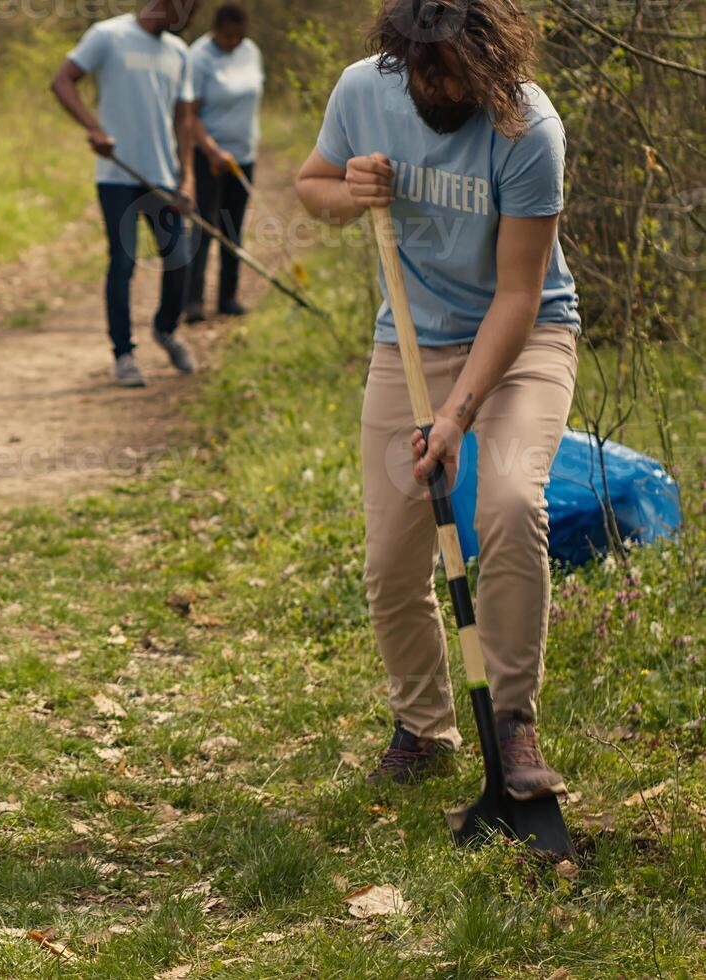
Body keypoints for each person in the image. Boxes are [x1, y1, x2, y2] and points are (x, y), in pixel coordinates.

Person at [295, 0, 579, 797]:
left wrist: (455, 417)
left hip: (524, 341)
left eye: (454, 73)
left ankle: (512, 725)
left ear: (490, 66)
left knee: (510, 506)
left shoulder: (529, 129)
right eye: (423, 69)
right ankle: (422, 727)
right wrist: (348, 192)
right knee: (390, 560)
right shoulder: (363, 90)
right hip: (409, 344)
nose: (434, 86)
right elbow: (309, 188)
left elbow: (519, 294)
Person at [52, 1, 201, 388]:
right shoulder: (108, 36)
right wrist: (94, 129)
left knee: (180, 260)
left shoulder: (179, 52)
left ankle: (166, 330)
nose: (189, 17)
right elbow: (62, 81)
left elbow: (185, 118)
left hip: (163, 176)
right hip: (117, 175)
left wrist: (188, 179)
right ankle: (124, 354)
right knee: (123, 262)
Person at [185, 3, 264, 322]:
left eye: (237, 36)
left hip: (243, 156)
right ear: (215, 30)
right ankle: (192, 301)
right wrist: (212, 150)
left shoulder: (251, 51)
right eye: (226, 36)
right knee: (205, 226)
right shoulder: (199, 56)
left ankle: (228, 297)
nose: (232, 42)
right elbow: (188, 116)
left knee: (233, 227)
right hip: (210, 158)